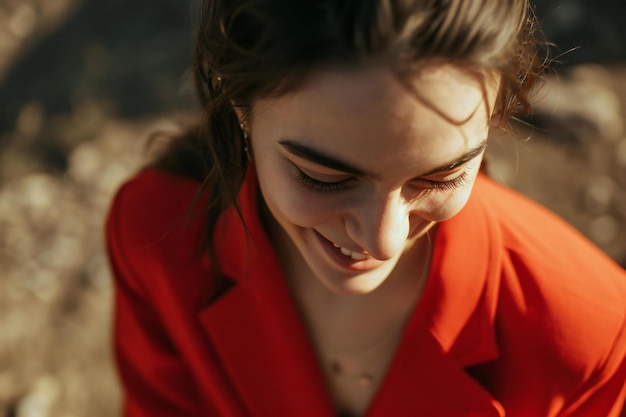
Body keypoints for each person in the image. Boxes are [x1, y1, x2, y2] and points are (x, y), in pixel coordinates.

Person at [105, 0, 626, 416]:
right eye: (324, 178)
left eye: (441, 176)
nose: (384, 240)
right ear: (239, 106)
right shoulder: (155, 239)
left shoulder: (591, 339)